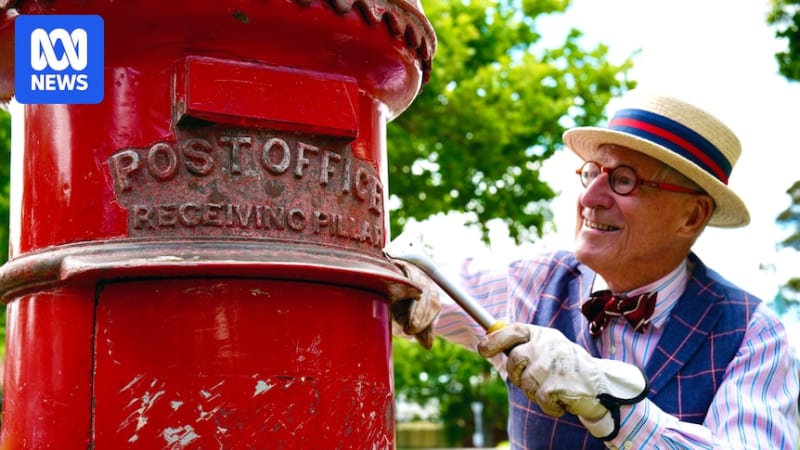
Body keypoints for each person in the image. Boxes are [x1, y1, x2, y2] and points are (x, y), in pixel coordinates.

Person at [388, 90, 800, 449]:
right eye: (591, 173)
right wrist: (406, 274)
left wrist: (606, 404)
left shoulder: (754, 335)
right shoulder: (532, 281)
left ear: (692, 216)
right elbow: (410, 279)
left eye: (623, 180)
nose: (590, 196)